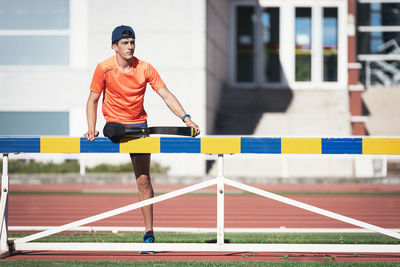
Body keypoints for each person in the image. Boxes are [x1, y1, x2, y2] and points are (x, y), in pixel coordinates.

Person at [84, 25, 200, 252]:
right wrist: (91, 128)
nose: (130, 46)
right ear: (114, 46)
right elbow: (93, 100)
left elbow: (166, 95)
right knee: (114, 130)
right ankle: (116, 131)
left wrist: (187, 119)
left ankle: (149, 232)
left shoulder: (145, 68)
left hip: (139, 126)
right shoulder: (103, 69)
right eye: (125, 43)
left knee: (143, 180)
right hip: (115, 126)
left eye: (133, 42)